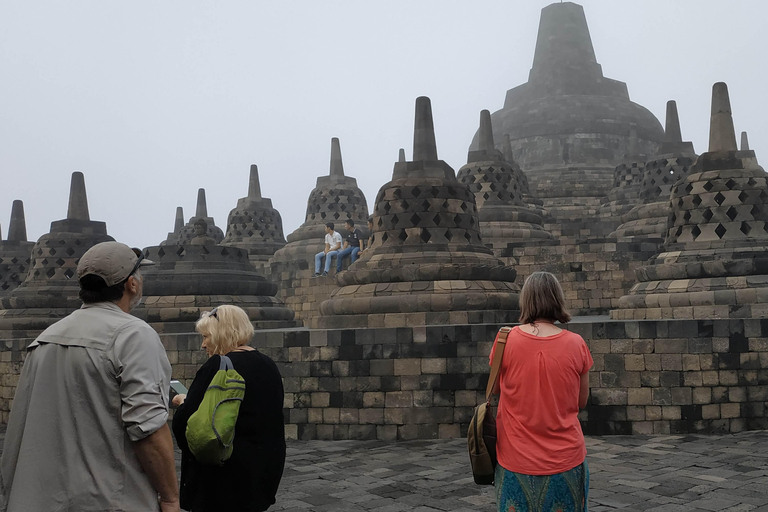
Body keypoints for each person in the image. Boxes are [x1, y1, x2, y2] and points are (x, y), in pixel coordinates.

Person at [0, 241, 180, 512]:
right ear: (132, 284)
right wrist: (170, 498)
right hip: (111, 499)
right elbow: (148, 430)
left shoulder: (45, 339)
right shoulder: (133, 335)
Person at [489, 271, 592, 512]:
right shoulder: (576, 343)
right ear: (558, 299)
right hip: (565, 459)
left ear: (526, 301)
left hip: (515, 458)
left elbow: (494, 389)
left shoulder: (506, 339)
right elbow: (581, 401)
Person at [171, 305, 286, 512]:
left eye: (206, 337)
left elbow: (185, 426)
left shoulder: (218, 365)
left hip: (222, 478)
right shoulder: (268, 364)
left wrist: (183, 403)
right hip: (261, 473)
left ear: (221, 334)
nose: (203, 345)